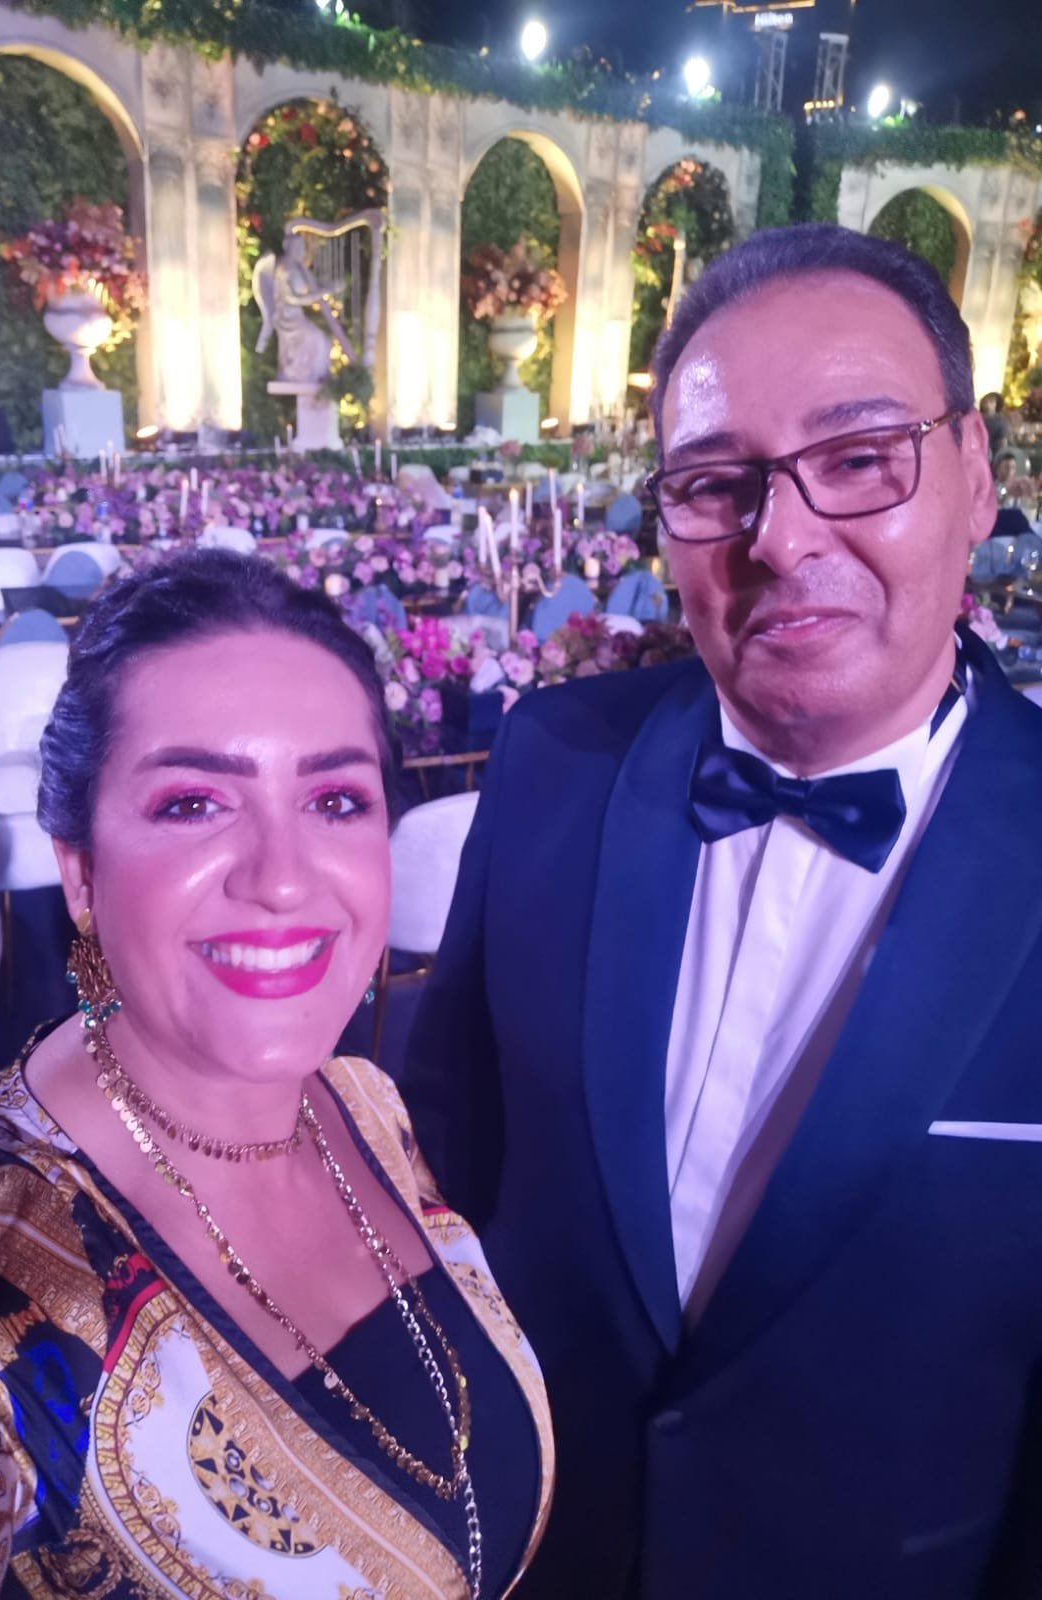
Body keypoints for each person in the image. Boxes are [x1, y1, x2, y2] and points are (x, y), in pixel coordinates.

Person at [402, 223, 1042, 1599]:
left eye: (859, 458)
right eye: (714, 483)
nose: (781, 537)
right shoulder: (554, 762)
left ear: (978, 476)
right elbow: (443, 1178)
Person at [0, 551, 552, 1598]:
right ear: (81, 870)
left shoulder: (364, 1106)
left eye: (336, 799)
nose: (282, 877)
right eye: (192, 804)